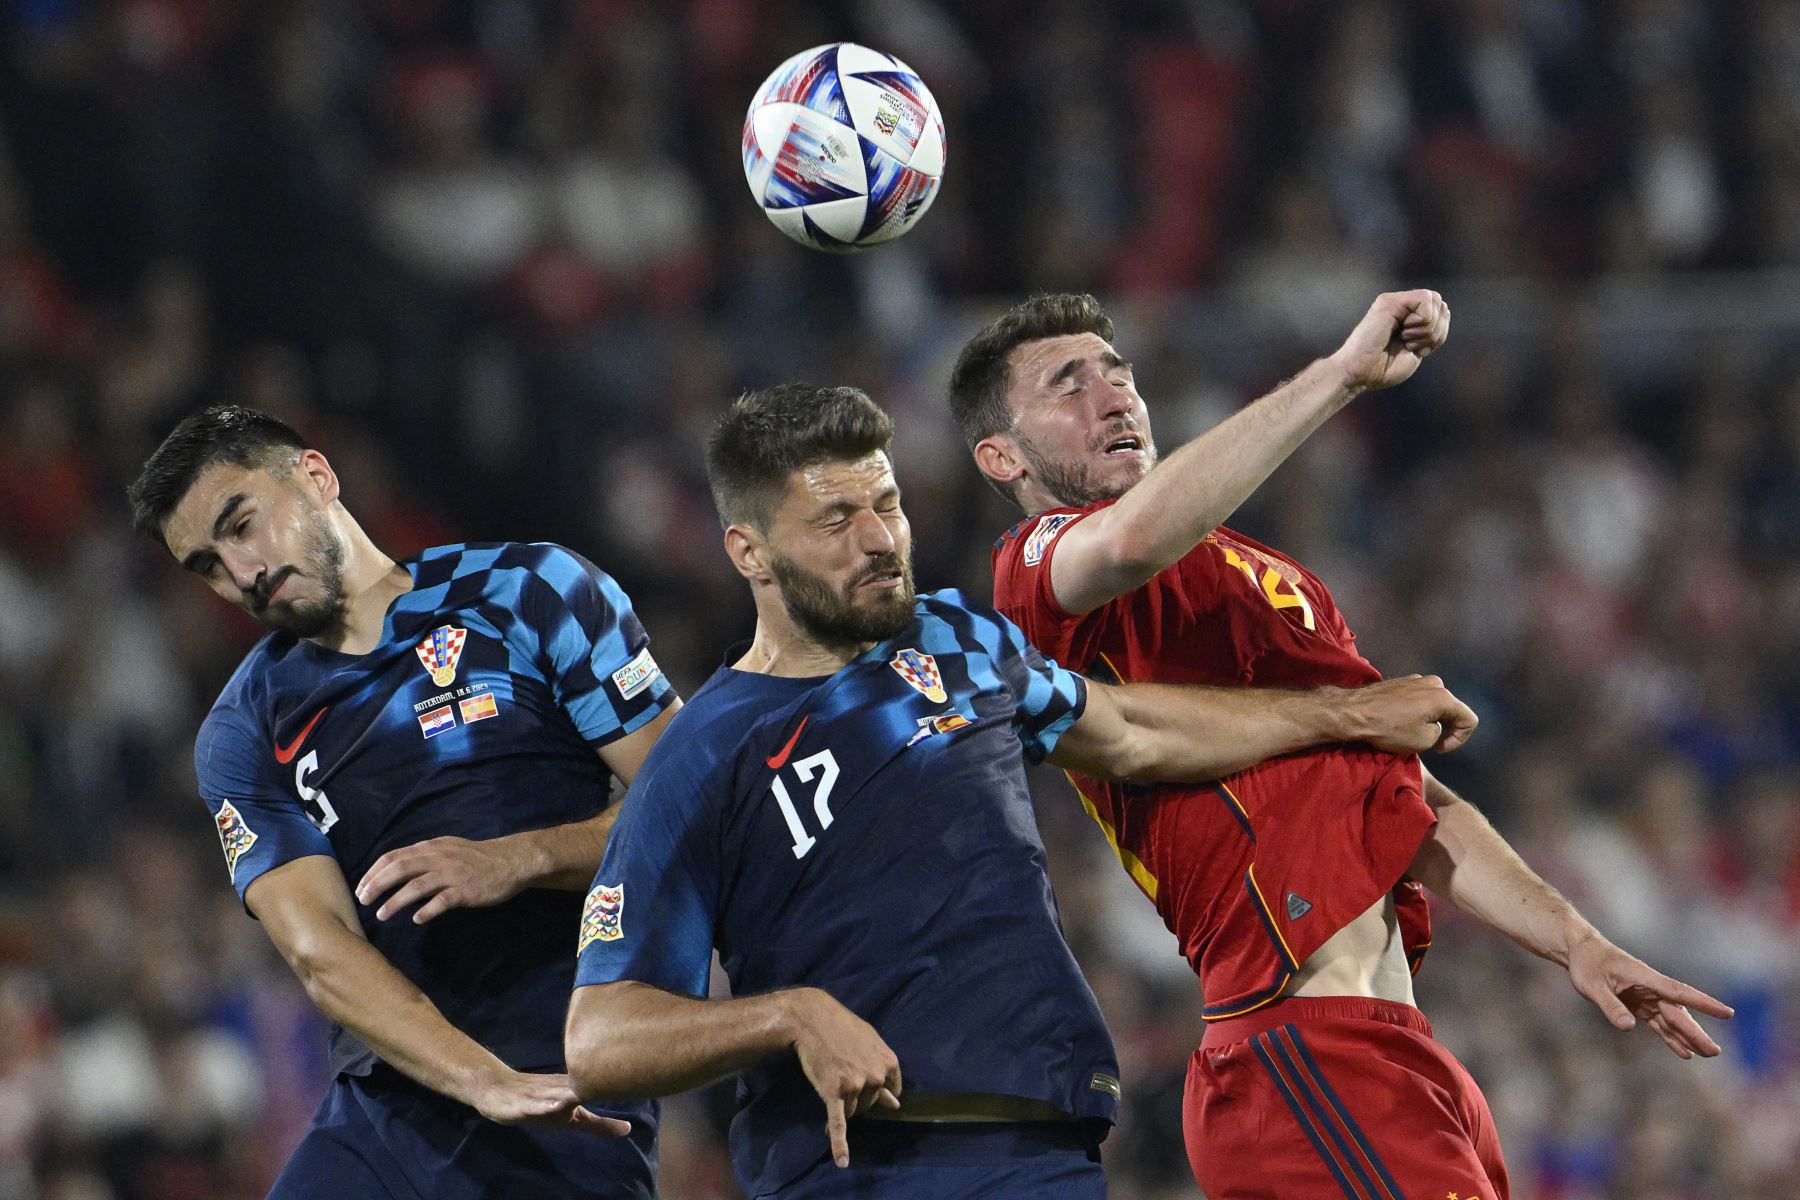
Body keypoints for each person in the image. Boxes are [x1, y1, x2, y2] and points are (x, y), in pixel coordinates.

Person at [562, 383, 1479, 1199]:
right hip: (861, 1167)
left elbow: (1130, 731)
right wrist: (787, 1015)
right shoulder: (706, 752)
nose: (881, 539)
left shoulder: (958, 642)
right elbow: (602, 1042)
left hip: (1047, 1148)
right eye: (836, 521)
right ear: (749, 553)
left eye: (887, 504)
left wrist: (1344, 717)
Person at [950, 290, 1735, 1200]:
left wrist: (1576, 941)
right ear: (1000, 455)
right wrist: (1339, 375)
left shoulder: (1271, 579)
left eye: (1119, 374)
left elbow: (1405, 798)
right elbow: (1128, 540)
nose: (1114, 395)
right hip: (1296, 1049)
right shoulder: (1038, 566)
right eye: (1068, 385)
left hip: (1394, 1049)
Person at [126, 405, 681, 1199]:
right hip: (387, 1116)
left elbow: (687, 808)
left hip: (571, 1090)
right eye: (209, 564)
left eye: (242, 524)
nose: (242, 573)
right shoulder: (245, 727)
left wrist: (518, 859)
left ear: (316, 476)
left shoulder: (526, 593)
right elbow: (319, 950)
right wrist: (479, 1079)